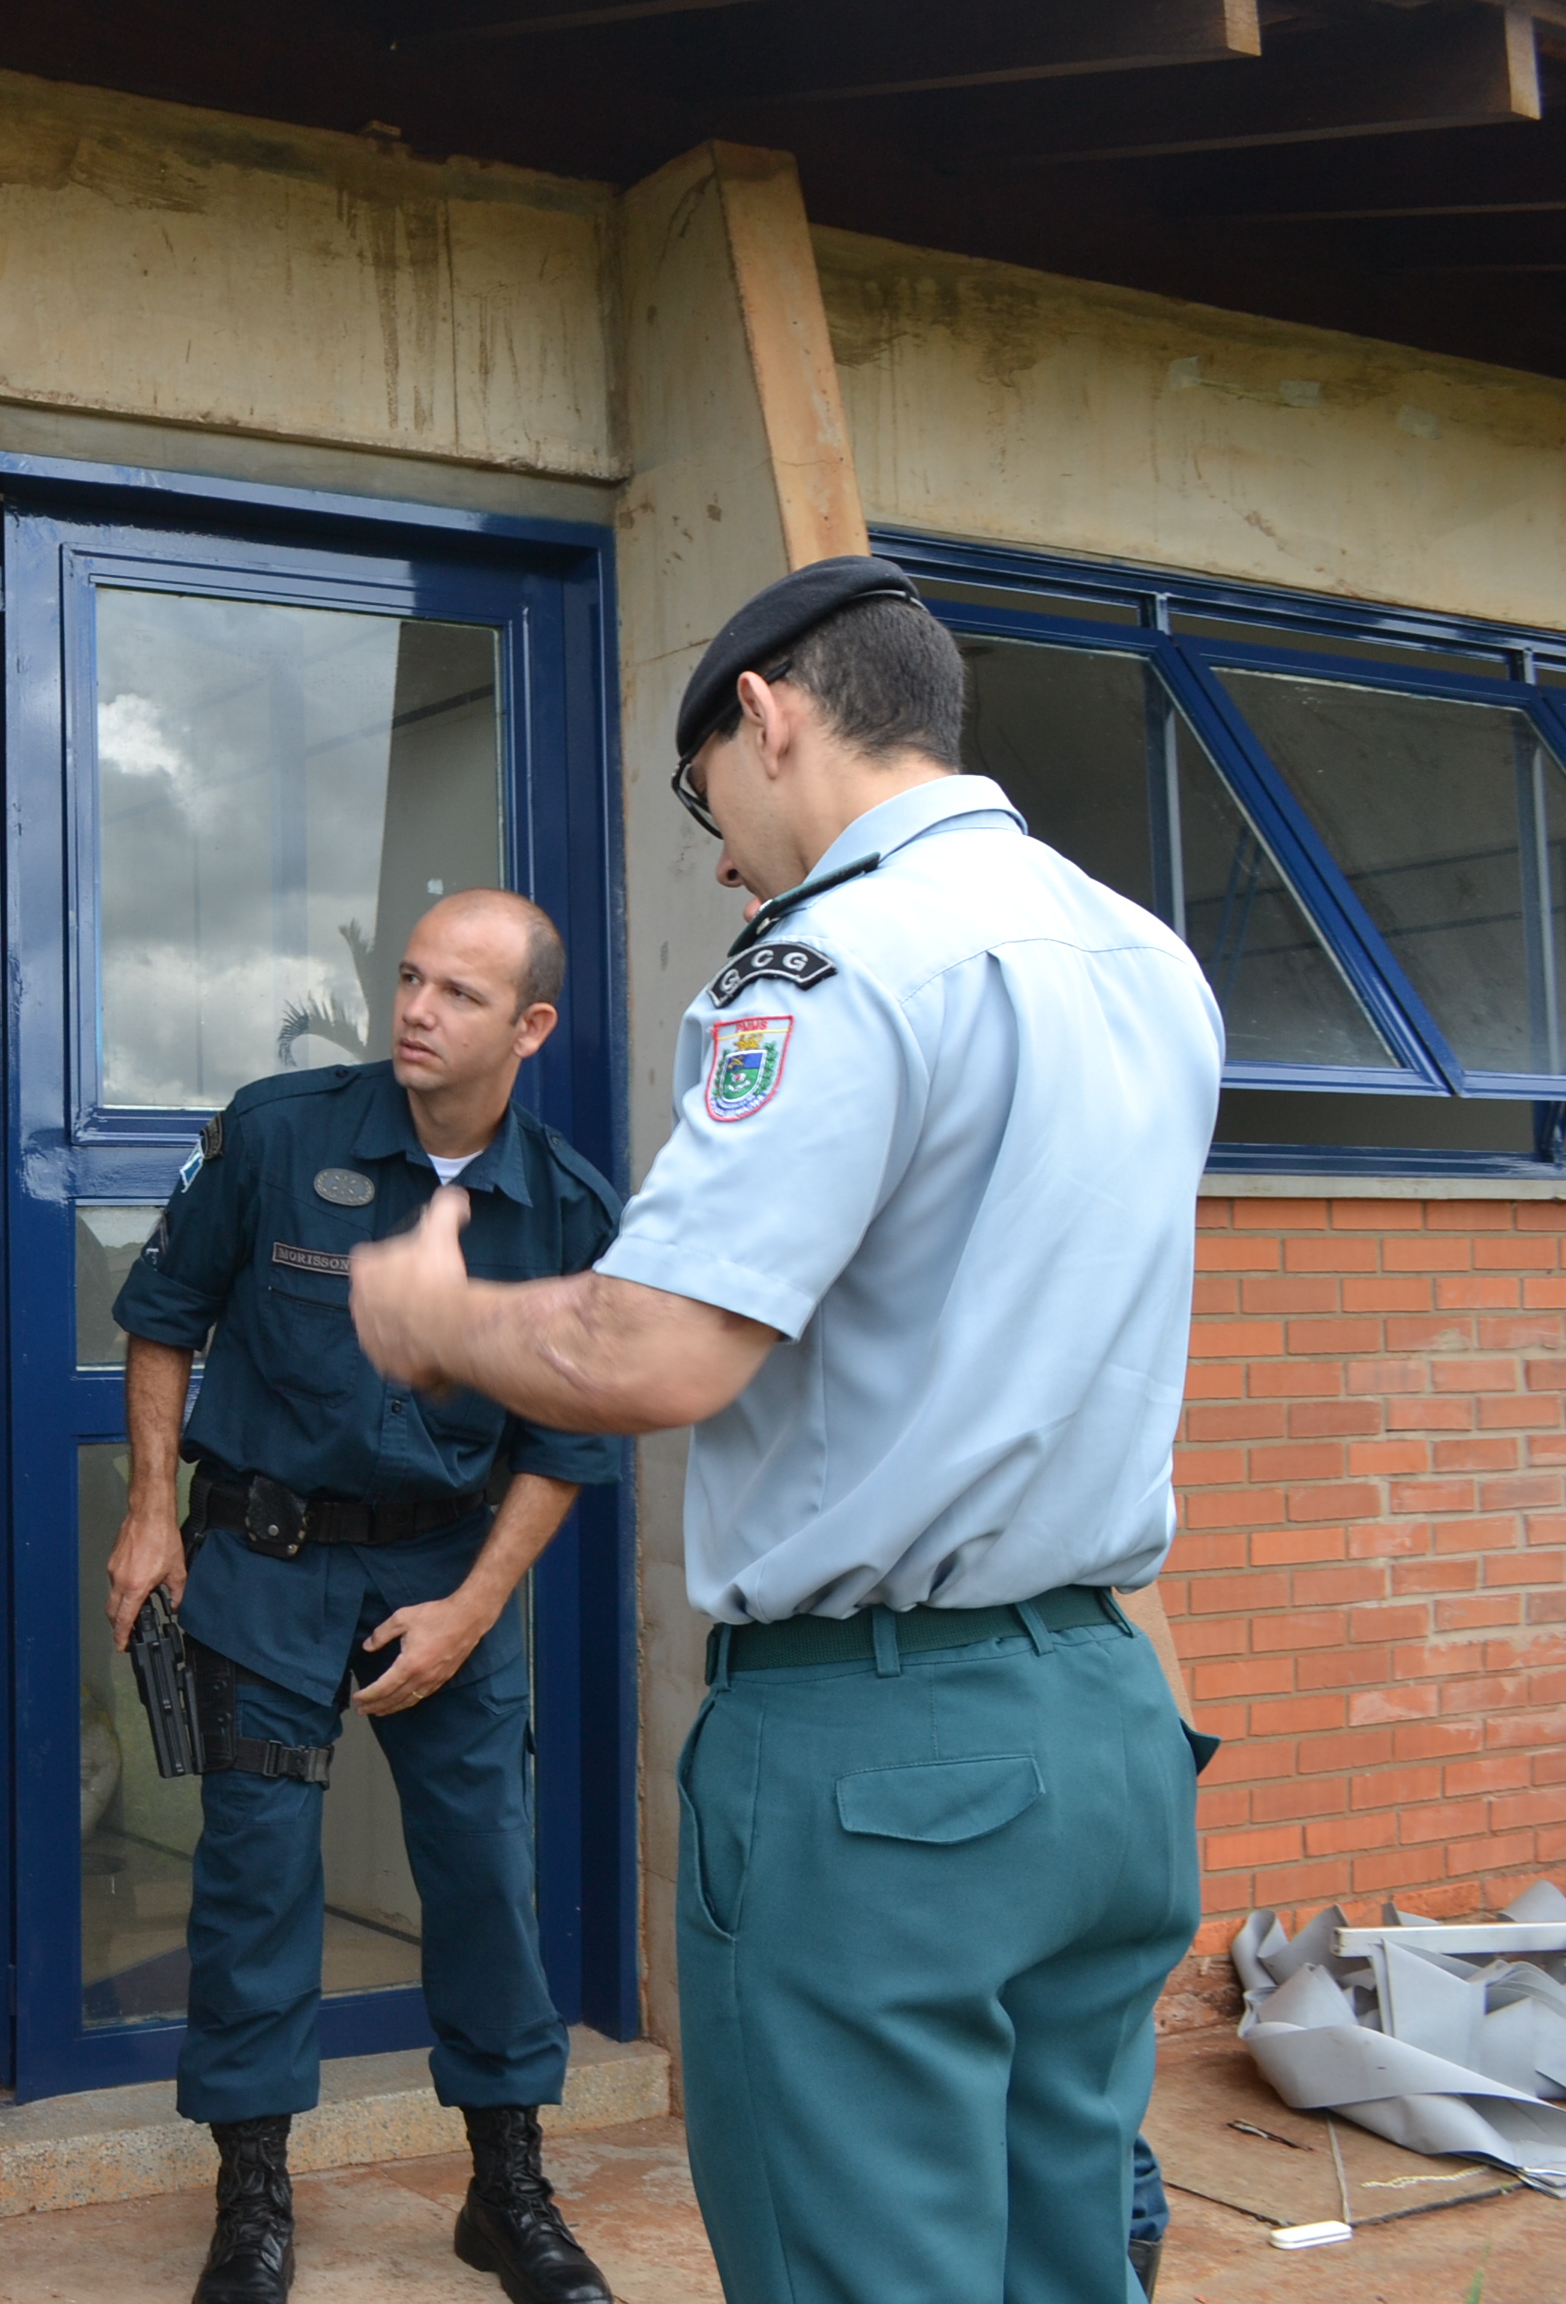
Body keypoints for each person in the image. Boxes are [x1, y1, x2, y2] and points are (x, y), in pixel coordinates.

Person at [345, 558, 1220, 2304]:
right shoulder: (1147, 957)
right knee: (1064, 2259)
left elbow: (659, 1346)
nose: (726, 856)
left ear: (767, 715)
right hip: (1110, 1721)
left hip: (887, 1764)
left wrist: (436, 1315)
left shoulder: (837, 961)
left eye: (707, 802)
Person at [107, 890, 625, 2304]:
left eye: (460, 994)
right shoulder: (281, 1132)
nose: (415, 1010)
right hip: (266, 1565)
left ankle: (507, 2190)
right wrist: (150, 1511)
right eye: (409, 978)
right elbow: (163, 1314)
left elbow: (568, 1445)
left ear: (530, 1027)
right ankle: (253, 2200)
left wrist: (475, 1607)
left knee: (484, 1874)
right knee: (256, 1876)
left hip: (450, 1574)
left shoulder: (566, 1207)